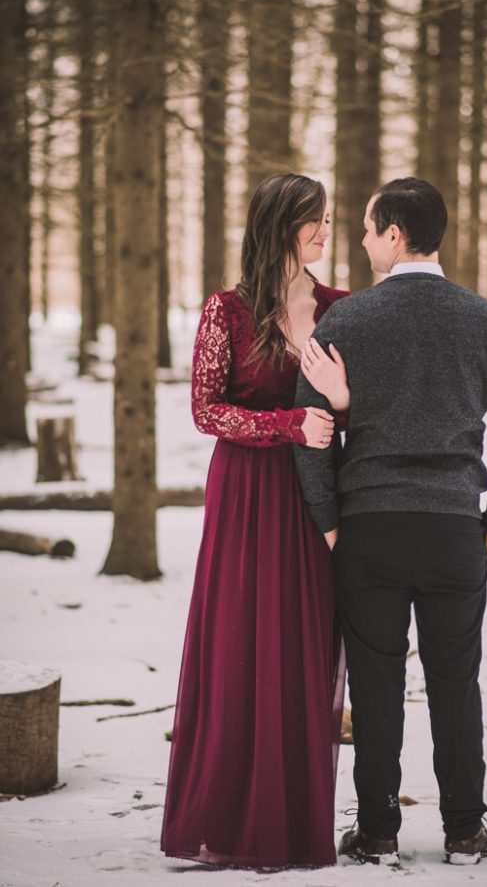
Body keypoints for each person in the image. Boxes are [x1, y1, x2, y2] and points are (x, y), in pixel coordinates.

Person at [293, 177, 487, 866]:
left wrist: (329, 520)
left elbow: (309, 431)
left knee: (374, 684)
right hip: (455, 529)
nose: (363, 240)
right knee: (456, 681)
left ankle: (377, 831)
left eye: (369, 228)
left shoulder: (344, 323)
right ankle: (463, 829)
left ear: (395, 234)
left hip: (367, 529)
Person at [160, 172, 350, 869]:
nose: (325, 233)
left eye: (329, 220)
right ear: (279, 225)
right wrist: (288, 424)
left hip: (314, 500)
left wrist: (336, 411)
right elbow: (206, 409)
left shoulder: (341, 308)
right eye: (314, 221)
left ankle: (294, 820)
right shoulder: (227, 310)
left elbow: (353, 407)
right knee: (240, 643)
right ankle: (227, 817)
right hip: (244, 493)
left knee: (302, 645)